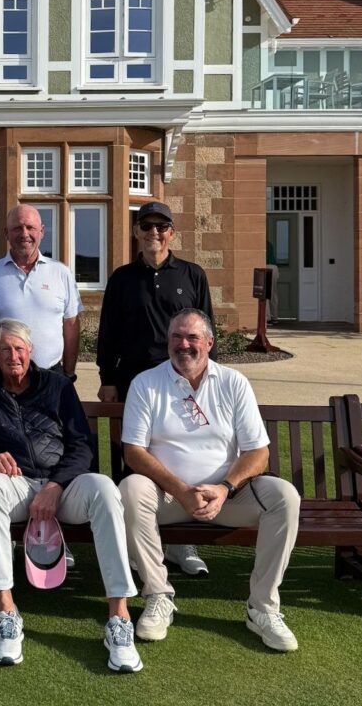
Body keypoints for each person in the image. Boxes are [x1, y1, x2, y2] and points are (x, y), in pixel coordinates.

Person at [0, 319, 142, 671]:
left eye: (19, 349)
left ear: (31, 352)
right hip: (15, 485)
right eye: (5, 349)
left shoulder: (57, 386)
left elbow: (82, 445)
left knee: (104, 489)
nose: (13, 356)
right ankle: (6, 611)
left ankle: (119, 617)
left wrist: (56, 486)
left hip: (63, 486)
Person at [118, 308, 301, 652]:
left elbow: (258, 453)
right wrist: (182, 491)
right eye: (176, 337)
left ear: (209, 342)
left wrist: (224, 487)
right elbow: (134, 453)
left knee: (285, 496)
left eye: (192, 338)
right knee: (129, 489)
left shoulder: (233, 382)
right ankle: (159, 596)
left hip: (227, 497)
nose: (183, 345)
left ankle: (262, 608)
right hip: (169, 497)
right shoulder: (145, 383)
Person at [96, 200, 217, 576]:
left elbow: (206, 331)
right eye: (146, 227)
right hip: (134, 381)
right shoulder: (121, 278)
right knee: (133, 457)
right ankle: (136, 543)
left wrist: (206, 380)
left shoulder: (192, 275)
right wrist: (108, 380)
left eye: (161, 227)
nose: (154, 234)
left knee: (181, 454)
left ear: (171, 232)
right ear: (136, 232)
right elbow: (108, 333)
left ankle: (182, 542)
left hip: (182, 381)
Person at [0, 204, 83, 379]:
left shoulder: (61, 273)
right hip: (0, 378)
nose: (24, 234)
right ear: (6, 233)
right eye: (17, 228)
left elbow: (71, 326)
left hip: (50, 377)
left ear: (41, 232)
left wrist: (69, 373)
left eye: (30, 227)